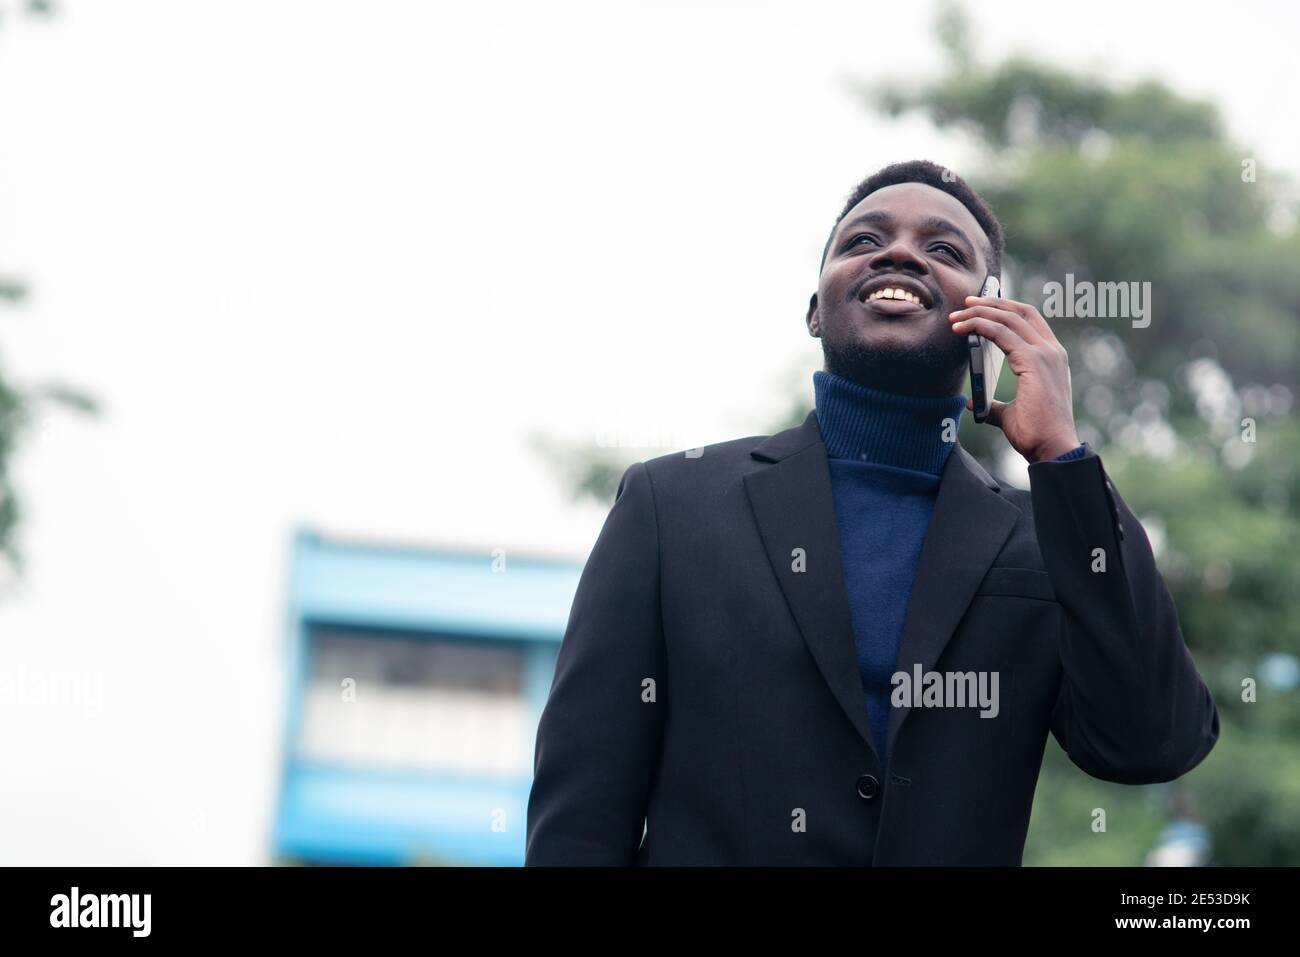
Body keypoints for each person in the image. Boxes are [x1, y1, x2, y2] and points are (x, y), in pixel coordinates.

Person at [525, 160, 1220, 866]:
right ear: (814, 308)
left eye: (944, 250)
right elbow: (582, 808)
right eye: (862, 241)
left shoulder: (1044, 539)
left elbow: (1154, 741)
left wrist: (1063, 460)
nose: (900, 253)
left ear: (987, 320)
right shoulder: (670, 505)